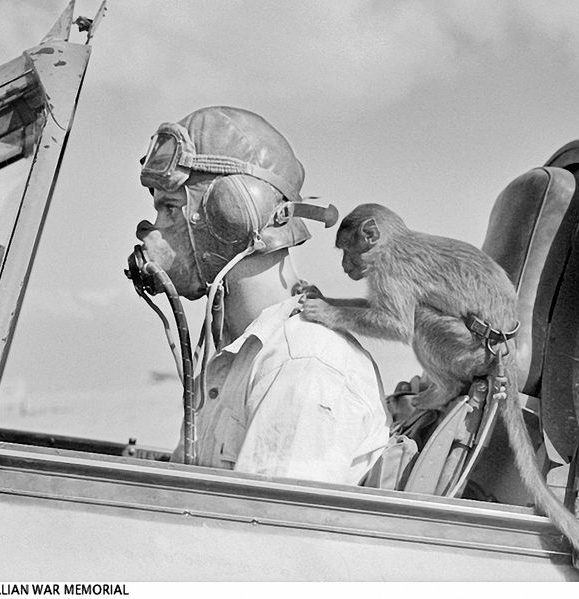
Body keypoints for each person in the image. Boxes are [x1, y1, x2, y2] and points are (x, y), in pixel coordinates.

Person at [133, 106, 389, 484]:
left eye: (171, 208)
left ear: (235, 212)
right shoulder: (241, 357)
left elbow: (262, 536)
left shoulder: (300, 364)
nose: (152, 233)